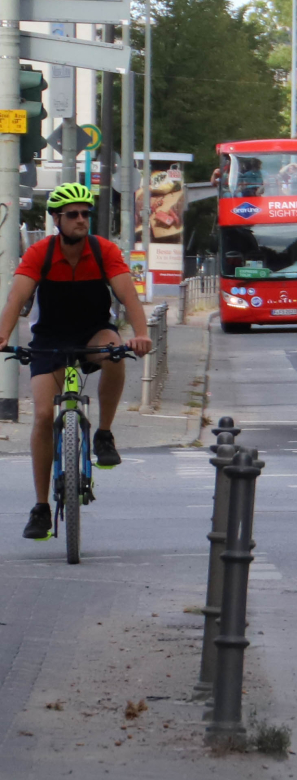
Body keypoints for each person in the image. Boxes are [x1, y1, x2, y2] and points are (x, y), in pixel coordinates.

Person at [0, 183, 154, 539]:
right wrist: (3, 335)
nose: (81, 220)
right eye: (73, 215)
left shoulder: (103, 251)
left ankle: (103, 434)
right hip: (50, 339)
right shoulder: (40, 253)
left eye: (85, 214)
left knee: (116, 352)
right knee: (41, 416)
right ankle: (40, 507)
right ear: (57, 220)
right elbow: (16, 299)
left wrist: (141, 334)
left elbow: (128, 296)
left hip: (92, 332)